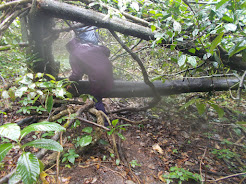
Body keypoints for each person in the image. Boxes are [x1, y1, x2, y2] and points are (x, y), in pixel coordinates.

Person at [66, 26, 113, 126]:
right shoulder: (89, 45)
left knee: (97, 98)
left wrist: (69, 82)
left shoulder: (73, 54)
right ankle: (102, 116)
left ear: (69, 49)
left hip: (98, 74)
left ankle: (105, 123)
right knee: (102, 91)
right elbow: (106, 50)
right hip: (108, 70)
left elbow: (77, 74)